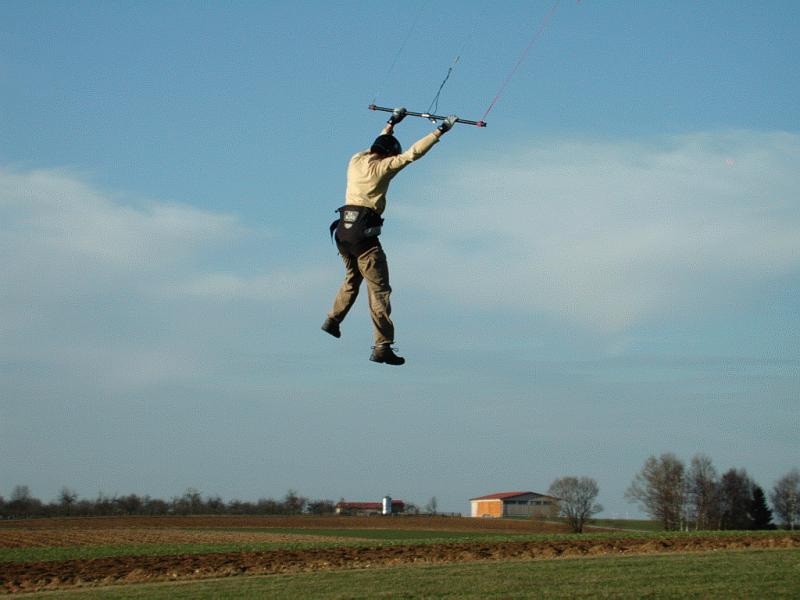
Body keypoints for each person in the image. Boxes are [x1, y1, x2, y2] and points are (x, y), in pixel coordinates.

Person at [322, 108, 458, 365]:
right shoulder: (385, 167)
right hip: (364, 238)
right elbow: (412, 154)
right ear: (388, 154)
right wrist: (440, 131)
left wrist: (392, 122)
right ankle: (382, 346)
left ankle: (333, 320)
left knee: (352, 280)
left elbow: (378, 141)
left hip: (343, 234)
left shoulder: (356, 159)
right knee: (379, 291)